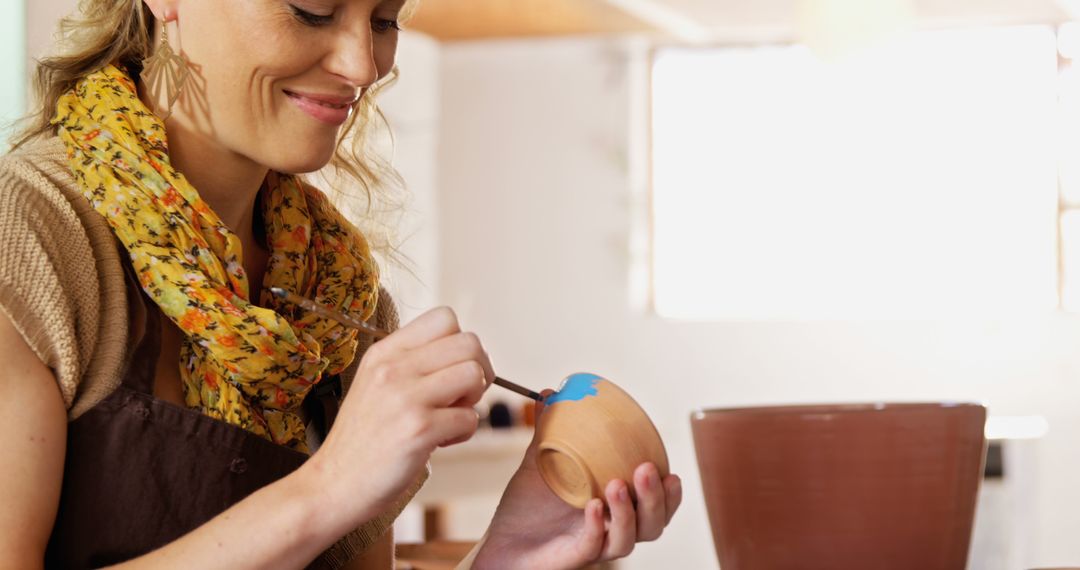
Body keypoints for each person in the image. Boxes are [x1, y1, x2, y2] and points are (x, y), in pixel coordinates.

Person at [0, 0, 682, 568]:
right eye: (313, 8)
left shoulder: (340, 298)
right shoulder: (28, 239)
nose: (364, 65)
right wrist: (329, 488)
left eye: (384, 19)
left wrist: (507, 555)